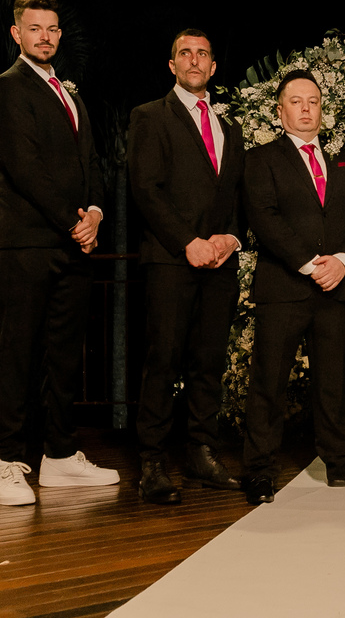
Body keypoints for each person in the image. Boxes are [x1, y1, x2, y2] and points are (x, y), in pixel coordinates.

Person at [0, 0, 118, 505]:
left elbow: (91, 162)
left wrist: (97, 212)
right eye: (35, 28)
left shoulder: (69, 92)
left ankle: (59, 456)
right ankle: (3, 461)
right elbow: (25, 167)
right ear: (16, 33)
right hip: (24, 242)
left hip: (72, 242)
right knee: (16, 352)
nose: (45, 36)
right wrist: (75, 222)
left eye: (52, 28)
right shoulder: (7, 87)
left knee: (64, 355)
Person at [240, 70, 345, 505]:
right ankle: (259, 470)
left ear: (322, 109)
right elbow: (263, 217)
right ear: (280, 110)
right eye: (296, 101)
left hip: (336, 287)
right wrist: (309, 264)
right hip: (285, 287)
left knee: (333, 383)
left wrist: (343, 261)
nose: (305, 109)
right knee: (269, 382)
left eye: (313, 101)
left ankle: (340, 463)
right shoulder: (261, 158)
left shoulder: (344, 158)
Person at [128, 29, 243, 504]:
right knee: (163, 360)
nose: (194, 60)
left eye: (202, 54)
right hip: (171, 260)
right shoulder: (149, 116)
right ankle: (152, 462)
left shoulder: (229, 126)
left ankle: (201, 452)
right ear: (172, 65)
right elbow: (145, 189)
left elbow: (236, 193)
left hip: (220, 262)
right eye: (185, 53)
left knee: (208, 362)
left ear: (213, 66)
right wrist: (187, 242)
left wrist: (230, 236)